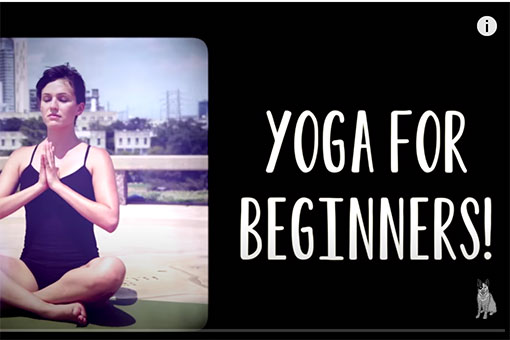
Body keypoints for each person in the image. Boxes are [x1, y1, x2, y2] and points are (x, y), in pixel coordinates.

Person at [0, 64, 126, 326]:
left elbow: (110, 219)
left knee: (114, 269)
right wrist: (37, 187)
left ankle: (21, 301)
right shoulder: (22, 157)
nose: (53, 106)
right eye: (47, 99)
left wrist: (58, 186)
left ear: (79, 107)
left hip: (81, 273)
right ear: (40, 105)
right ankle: (46, 307)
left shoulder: (96, 157)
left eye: (63, 99)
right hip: (29, 271)